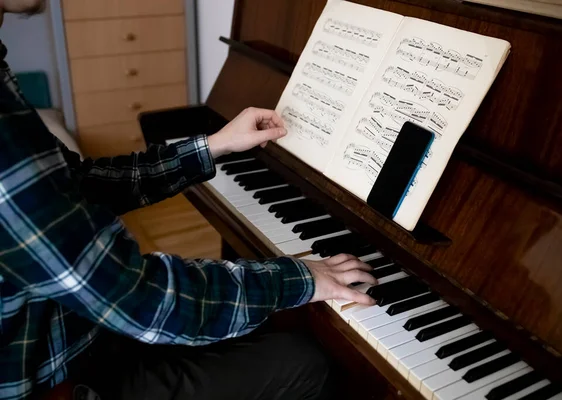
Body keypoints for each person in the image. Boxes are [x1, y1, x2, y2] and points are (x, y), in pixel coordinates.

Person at [0, 1, 378, 399]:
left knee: (267, 318)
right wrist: (296, 277)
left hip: (73, 331)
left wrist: (213, 146)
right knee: (303, 362)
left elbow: (78, 185)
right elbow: (136, 297)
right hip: (60, 380)